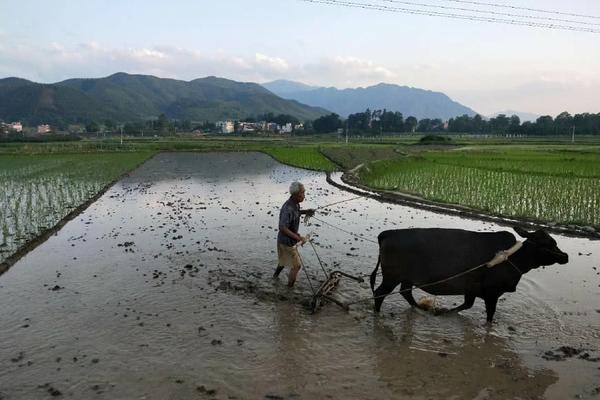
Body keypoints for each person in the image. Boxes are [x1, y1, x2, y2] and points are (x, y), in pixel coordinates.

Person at [273, 181, 316, 287]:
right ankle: (289, 290)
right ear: (295, 194)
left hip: (285, 240)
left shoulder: (295, 204)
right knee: (297, 266)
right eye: (302, 192)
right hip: (286, 242)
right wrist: (297, 237)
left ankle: (274, 277)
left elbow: (295, 213)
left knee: (283, 260)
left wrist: (305, 212)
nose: (304, 195)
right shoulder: (287, 208)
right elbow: (282, 227)